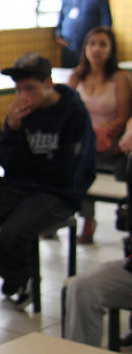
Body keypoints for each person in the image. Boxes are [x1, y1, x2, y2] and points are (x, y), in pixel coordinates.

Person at [0, 53, 95, 309]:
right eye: (19, 90)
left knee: (13, 231)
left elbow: (68, 170)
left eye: (30, 88)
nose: (24, 96)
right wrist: (14, 129)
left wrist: (30, 171)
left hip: (59, 191)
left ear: (48, 83)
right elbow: (7, 163)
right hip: (19, 186)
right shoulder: (20, 114)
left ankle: (19, 279)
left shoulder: (74, 113)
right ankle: (20, 276)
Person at [67, 26, 131, 243]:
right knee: (66, 156)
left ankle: (87, 220)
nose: (96, 49)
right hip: (82, 138)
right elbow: (66, 112)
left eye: (102, 44)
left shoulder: (120, 78)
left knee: (82, 159)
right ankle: (64, 215)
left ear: (111, 49)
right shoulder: (76, 76)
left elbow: (122, 119)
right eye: (92, 44)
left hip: (109, 140)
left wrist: (95, 130)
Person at [55, 0, 112, 68]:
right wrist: (58, 37)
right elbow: (60, 20)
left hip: (89, 46)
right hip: (69, 46)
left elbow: (106, 22)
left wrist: (101, 42)